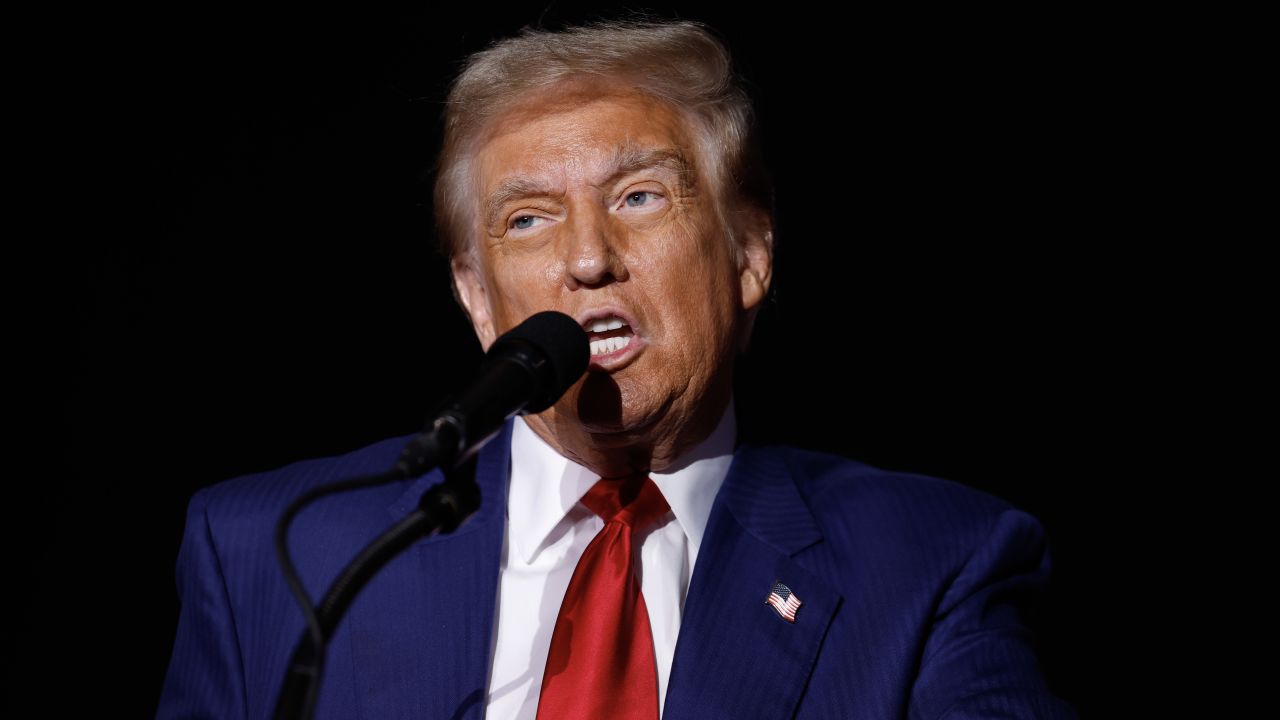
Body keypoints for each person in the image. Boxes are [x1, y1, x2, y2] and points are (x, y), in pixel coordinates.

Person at [158, 19, 1076, 720]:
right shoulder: (275, 554)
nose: (588, 257)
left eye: (640, 197)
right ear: (477, 297)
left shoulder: (934, 566)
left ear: (749, 255)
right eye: (529, 218)